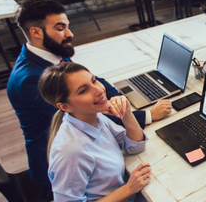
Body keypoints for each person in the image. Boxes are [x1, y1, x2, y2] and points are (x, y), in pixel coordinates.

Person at [6, 0, 171, 190]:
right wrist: (147, 115)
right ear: (35, 32)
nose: (70, 34)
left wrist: (118, 100)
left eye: (67, 26)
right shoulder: (30, 80)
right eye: (60, 28)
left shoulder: (52, 52)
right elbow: (89, 112)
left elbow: (93, 81)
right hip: (65, 169)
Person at [39, 62, 151, 202]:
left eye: (94, 81)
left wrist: (127, 113)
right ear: (65, 106)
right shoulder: (71, 150)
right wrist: (128, 189)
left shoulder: (94, 117)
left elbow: (134, 146)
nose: (99, 90)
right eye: (83, 90)